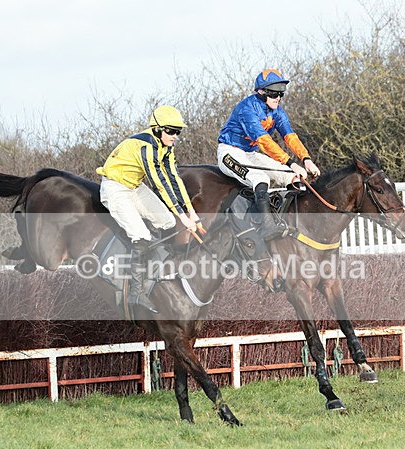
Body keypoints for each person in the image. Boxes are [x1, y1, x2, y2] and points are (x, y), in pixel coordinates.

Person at [97, 105, 199, 313]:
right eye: (170, 131)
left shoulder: (165, 146)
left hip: (134, 186)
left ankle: (155, 264)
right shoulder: (146, 148)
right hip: (115, 188)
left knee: (168, 222)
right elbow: (160, 183)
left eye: (177, 131)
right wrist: (182, 215)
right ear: (156, 129)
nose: (174, 136)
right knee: (141, 236)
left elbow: (174, 179)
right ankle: (136, 292)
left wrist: (190, 211)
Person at [217, 69, 321, 239]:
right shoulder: (247, 108)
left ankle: (293, 220)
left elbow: (290, 137)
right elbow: (264, 142)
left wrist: (306, 159)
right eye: (273, 93)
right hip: (229, 152)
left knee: (292, 177)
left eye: (281, 93)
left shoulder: (277, 111)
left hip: (250, 153)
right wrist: (292, 163)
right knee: (260, 178)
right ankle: (266, 226)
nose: (278, 97)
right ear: (261, 92)